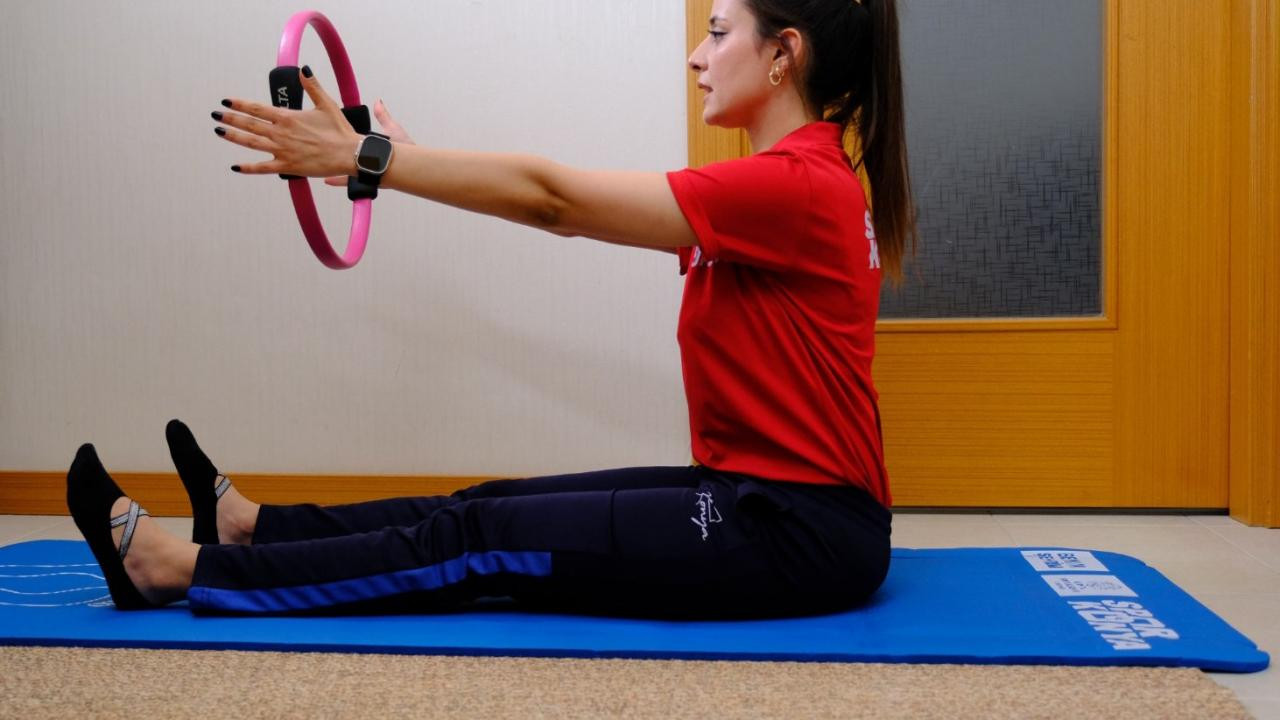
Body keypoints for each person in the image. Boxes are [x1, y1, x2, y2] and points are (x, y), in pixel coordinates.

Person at [66, 0, 917, 619]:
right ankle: (251, 529)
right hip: (761, 496)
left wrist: (374, 158)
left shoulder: (793, 187)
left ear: (784, 54)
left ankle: (178, 571)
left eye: (719, 32)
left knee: (483, 538)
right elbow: (554, 203)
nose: (697, 55)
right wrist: (403, 160)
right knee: (485, 501)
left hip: (798, 531)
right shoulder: (787, 184)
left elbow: (554, 201)